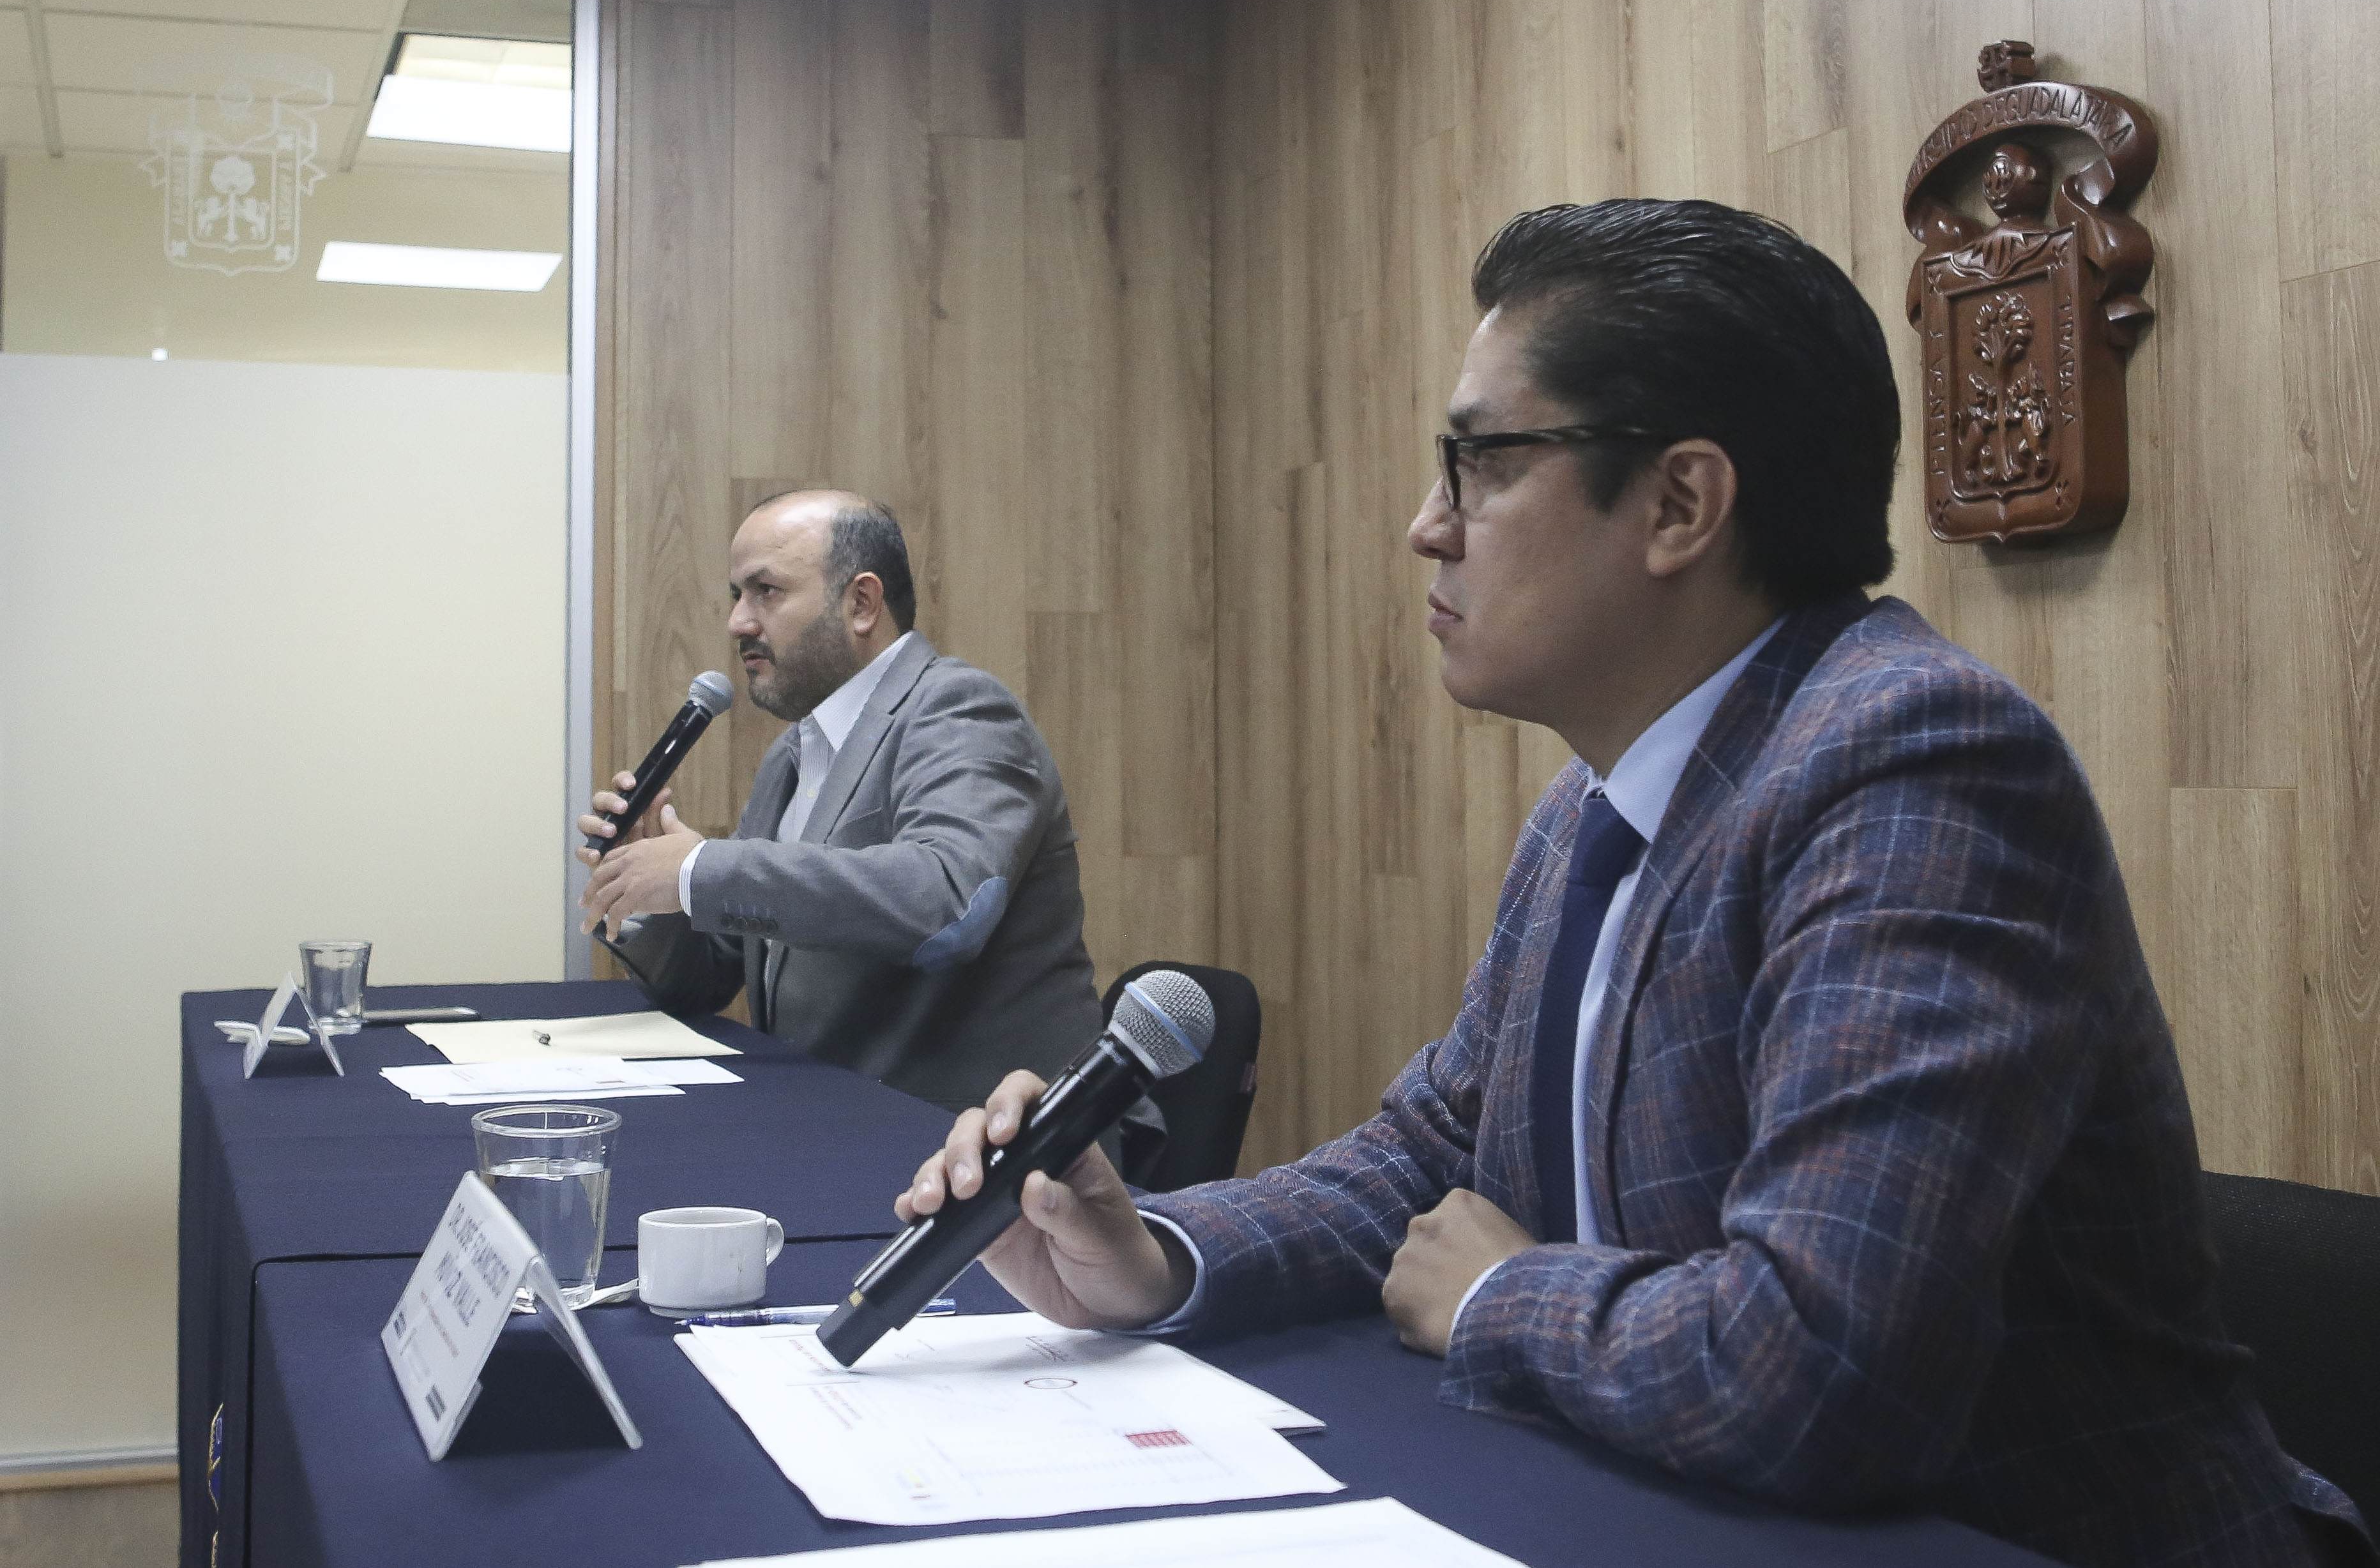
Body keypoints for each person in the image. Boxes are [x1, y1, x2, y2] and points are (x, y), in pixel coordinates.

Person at [895, 202, 2370, 1567]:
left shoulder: (1914, 759)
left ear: (1677, 504)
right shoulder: (1597, 804)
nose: (1427, 521)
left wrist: (1493, 1298)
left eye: (1479, 460)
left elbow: (1818, 1370)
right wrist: (1156, 1255)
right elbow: (1427, 1157)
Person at [577, 490, 1105, 1114]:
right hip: (831, 1120)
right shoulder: (794, 754)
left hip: (976, 1141)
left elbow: (949, 902)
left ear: (861, 603)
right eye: (735, 596)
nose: (738, 622)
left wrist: (699, 871)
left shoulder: (959, 707)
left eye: (765, 591)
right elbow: (711, 979)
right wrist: (649, 892)